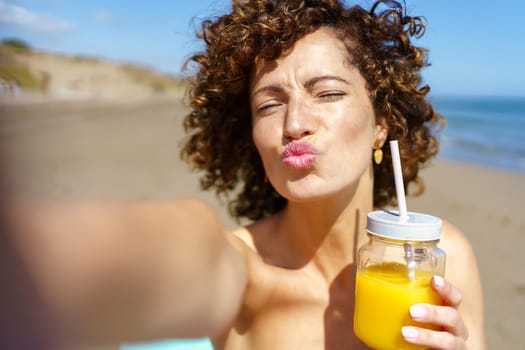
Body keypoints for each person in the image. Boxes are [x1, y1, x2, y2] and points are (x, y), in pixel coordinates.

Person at [1, 0, 485, 349]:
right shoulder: (239, 269)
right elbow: (173, 256)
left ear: (381, 124)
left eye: (327, 93)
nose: (294, 123)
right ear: (250, 134)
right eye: (269, 104)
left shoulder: (442, 258)